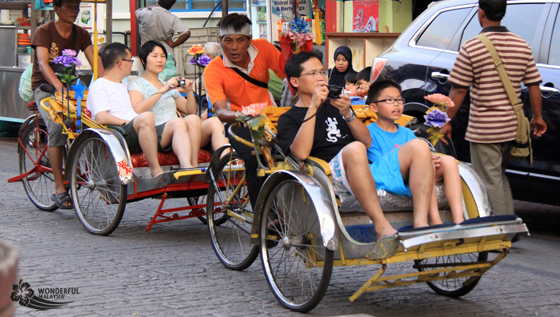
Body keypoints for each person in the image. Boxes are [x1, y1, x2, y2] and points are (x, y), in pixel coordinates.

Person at [441, 0, 547, 215]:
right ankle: (510, 222)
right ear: (503, 12)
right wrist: (537, 118)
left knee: (488, 179)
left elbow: (459, 88)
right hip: (512, 128)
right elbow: (534, 85)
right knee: (498, 174)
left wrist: (446, 120)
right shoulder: (521, 45)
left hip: (485, 129)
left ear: (481, 12)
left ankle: (502, 229)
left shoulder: (472, 47)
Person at [276, 51, 397, 239]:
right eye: (312, 73)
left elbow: (367, 141)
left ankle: (429, 225)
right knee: (355, 148)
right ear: (295, 82)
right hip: (326, 174)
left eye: (322, 72)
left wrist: (348, 114)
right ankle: (381, 225)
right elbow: (300, 153)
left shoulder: (336, 106)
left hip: (360, 166)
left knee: (419, 147)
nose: (320, 78)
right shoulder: (288, 118)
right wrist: (313, 107)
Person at [203, 13, 286, 204]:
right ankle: (262, 216)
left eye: (240, 40)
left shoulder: (263, 48)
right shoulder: (213, 70)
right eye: (228, 41)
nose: (234, 47)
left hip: (271, 117)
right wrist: (244, 115)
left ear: (249, 40)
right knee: (255, 156)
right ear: (220, 40)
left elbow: (289, 74)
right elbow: (221, 112)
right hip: (238, 123)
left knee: (295, 151)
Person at [30, 0, 98, 209]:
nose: (74, 11)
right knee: (57, 126)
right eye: (69, 7)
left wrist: (105, 83)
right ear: (57, 9)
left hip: (71, 87)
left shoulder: (81, 33)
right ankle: (59, 188)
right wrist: (58, 87)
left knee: (90, 121)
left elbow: (95, 62)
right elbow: (42, 63)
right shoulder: (44, 31)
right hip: (46, 88)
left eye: (76, 7)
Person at [87, 43, 195, 176]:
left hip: (138, 128)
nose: (132, 64)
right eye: (130, 61)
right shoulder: (99, 85)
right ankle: (156, 170)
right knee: (147, 116)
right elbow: (101, 117)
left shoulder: (123, 85)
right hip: (121, 132)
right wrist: (128, 122)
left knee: (179, 121)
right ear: (121, 63)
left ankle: (188, 167)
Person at [366, 79, 464, 224]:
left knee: (448, 162)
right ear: (374, 107)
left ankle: (459, 220)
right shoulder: (369, 133)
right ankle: (434, 220)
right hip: (388, 175)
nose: (396, 104)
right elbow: (381, 164)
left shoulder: (407, 132)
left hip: (414, 173)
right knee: (423, 157)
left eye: (399, 100)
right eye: (389, 100)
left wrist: (427, 160)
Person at [128, 40, 229, 164]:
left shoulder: (167, 83)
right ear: (143, 61)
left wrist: (189, 91)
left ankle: (226, 164)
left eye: (163, 56)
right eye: (154, 56)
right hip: (157, 133)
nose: (160, 60)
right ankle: (188, 167)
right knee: (178, 122)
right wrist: (164, 90)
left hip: (180, 130)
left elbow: (190, 110)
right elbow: (139, 109)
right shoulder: (137, 83)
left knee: (209, 120)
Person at [136, 0, 191, 79]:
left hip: (147, 50)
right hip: (165, 52)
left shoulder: (145, 13)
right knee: (167, 82)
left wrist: (152, 7)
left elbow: (137, 11)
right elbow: (186, 33)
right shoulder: (172, 18)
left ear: (159, 0)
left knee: (150, 81)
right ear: (171, 5)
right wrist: (174, 44)